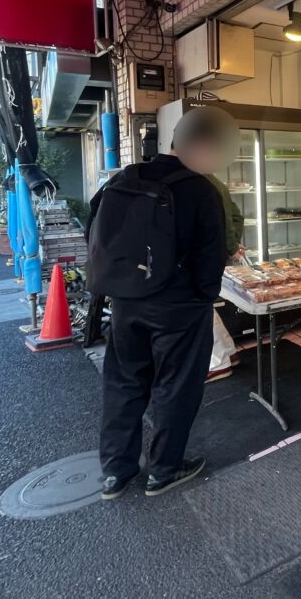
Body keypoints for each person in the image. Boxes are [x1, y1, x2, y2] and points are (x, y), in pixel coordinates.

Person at [90, 107, 229, 500]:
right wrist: (204, 296)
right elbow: (211, 253)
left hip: (125, 302)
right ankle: (164, 469)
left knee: (123, 382)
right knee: (175, 386)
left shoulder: (124, 177)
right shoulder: (201, 189)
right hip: (179, 306)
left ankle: (116, 472)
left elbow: (95, 229)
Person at [202, 170, 245, 383]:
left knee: (198, 307)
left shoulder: (199, 182)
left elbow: (229, 220)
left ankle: (217, 363)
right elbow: (235, 216)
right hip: (213, 255)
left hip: (202, 256)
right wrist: (232, 244)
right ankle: (228, 351)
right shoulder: (215, 181)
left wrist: (230, 246)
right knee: (205, 306)